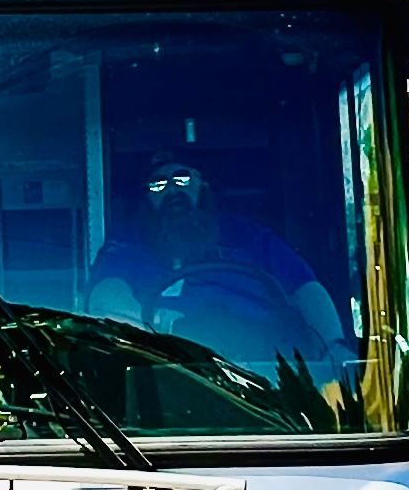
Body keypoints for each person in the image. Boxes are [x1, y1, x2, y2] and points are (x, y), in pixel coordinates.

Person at [86, 153, 348, 360]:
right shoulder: (127, 242)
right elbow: (106, 293)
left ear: (203, 184)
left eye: (182, 179)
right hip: (168, 364)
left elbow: (304, 287)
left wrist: (332, 348)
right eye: (158, 185)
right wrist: (158, 328)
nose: (171, 191)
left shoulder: (248, 236)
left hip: (265, 363)